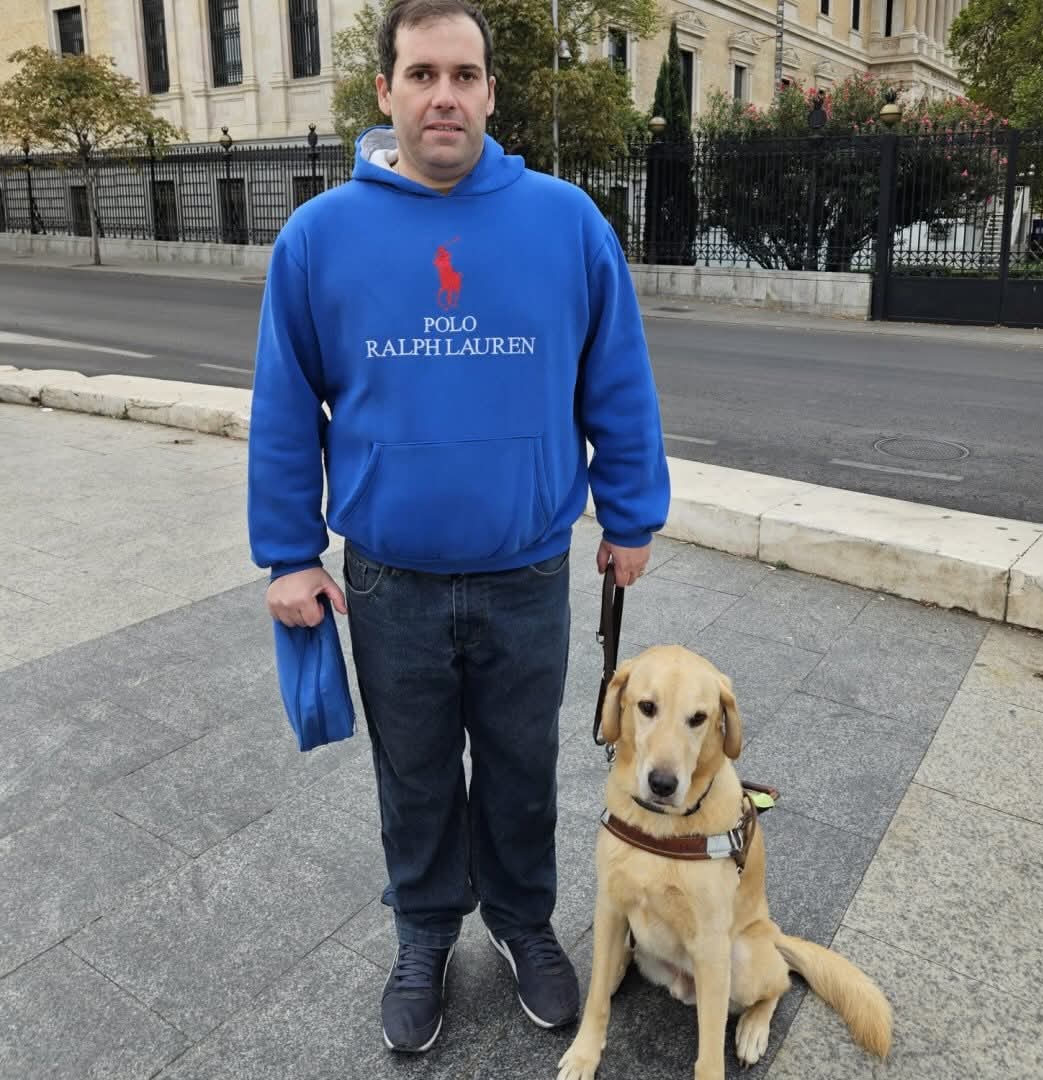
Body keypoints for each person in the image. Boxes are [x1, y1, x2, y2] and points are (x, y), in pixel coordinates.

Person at [247, 0, 669, 1055]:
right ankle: (426, 930)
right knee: (416, 774)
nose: (445, 95)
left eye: (465, 75)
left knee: (523, 767)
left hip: (528, 572)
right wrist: (289, 554)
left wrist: (631, 513)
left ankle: (523, 921)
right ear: (385, 90)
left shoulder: (566, 223)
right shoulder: (319, 239)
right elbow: (286, 407)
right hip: (389, 580)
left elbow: (617, 379)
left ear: (490, 92)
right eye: (423, 74)